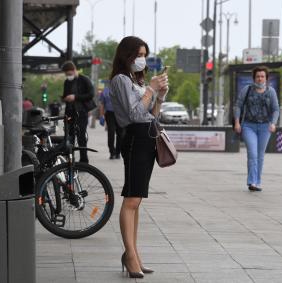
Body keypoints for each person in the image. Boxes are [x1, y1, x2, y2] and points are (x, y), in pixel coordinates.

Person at [109, 36, 168, 279]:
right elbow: (134, 114)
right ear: (127, 56)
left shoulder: (137, 80)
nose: (142, 59)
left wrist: (160, 95)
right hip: (134, 138)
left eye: (144, 54)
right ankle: (129, 255)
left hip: (147, 137)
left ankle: (134, 253)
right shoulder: (121, 80)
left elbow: (152, 115)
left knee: (138, 199)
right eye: (138, 54)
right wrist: (151, 89)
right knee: (131, 198)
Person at [233, 66, 279, 192]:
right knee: (253, 154)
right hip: (248, 126)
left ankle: (257, 181)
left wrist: (273, 123)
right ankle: (252, 181)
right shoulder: (247, 89)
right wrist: (237, 122)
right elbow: (238, 105)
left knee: (260, 155)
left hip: (265, 127)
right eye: (258, 76)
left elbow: (276, 109)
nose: (260, 78)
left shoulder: (271, 91)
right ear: (254, 78)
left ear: (266, 78)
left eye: (262, 76)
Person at [61, 61, 94, 163]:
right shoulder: (67, 82)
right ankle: (70, 160)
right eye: (66, 74)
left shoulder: (84, 79)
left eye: (69, 73)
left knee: (81, 136)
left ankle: (84, 160)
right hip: (70, 112)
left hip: (81, 112)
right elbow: (65, 94)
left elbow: (91, 94)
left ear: (74, 70)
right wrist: (65, 98)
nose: (68, 76)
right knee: (69, 137)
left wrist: (75, 97)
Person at [99, 83, 124, 160]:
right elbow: (102, 104)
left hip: (120, 113)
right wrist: (101, 116)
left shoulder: (122, 89)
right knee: (111, 132)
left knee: (121, 134)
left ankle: (118, 152)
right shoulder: (105, 91)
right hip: (110, 114)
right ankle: (112, 152)